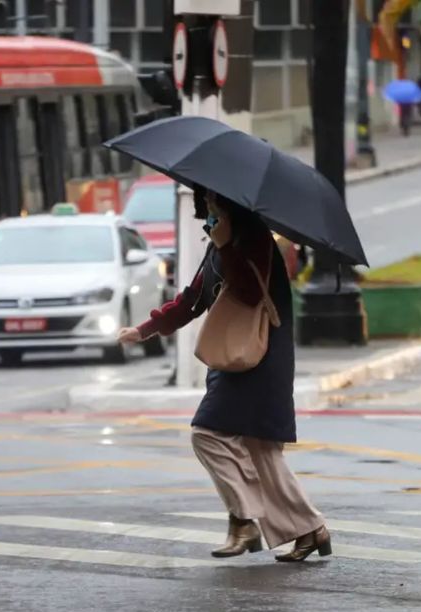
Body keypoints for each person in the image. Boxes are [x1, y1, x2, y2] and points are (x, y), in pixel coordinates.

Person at [117, 188, 332, 563]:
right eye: (206, 199)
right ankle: (310, 530)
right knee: (262, 452)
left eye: (215, 199)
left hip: (261, 357)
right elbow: (194, 298)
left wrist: (228, 244)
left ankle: (244, 521)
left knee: (208, 435)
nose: (209, 205)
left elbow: (249, 293)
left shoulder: (254, 238)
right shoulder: (219, 238)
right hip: (231, 359)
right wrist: (146, 330)